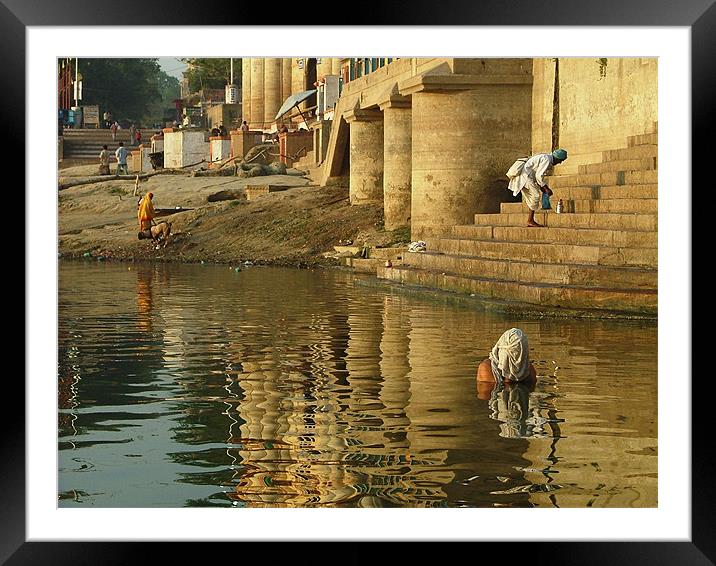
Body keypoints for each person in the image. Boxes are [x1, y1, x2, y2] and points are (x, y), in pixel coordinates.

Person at [507, 148, 568, 228]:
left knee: (533, 198)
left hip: (526, 178)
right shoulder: (547, 159)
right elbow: (539, 175)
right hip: (526, 177)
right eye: (560, 160)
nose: (560, 163)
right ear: (557, 158)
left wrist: (542, 187)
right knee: (535, 196)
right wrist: (546, 188)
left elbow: (537, 174)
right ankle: (530, 220)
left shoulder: (545, 157)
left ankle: (530, 220)